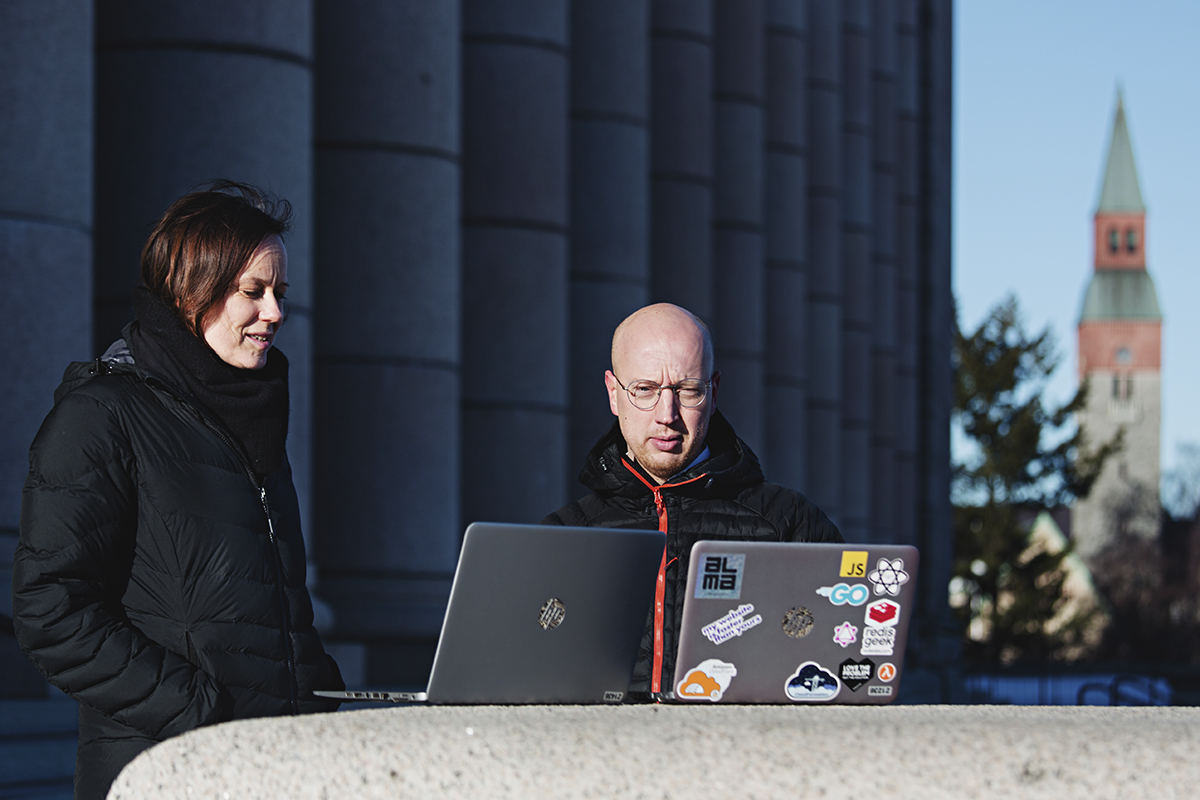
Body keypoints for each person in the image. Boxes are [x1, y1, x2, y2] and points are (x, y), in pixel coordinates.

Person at [12, 181, 343, 799]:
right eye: (253, 291)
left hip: (277, 768)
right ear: (191, 291)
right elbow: (50, 611)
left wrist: (320, 700)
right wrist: (200, 712)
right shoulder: (102, 417)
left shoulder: (250, 418)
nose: (275, 313)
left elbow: (268, 608)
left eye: (280, 293)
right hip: (170, 772)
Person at [543, 303, 842, 698]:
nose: (667, 415)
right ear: (614, 394)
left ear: (713, 393)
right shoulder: (562, 535)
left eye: (688, 391)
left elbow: (837, 666)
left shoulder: (790, 523)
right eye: (645, 390)